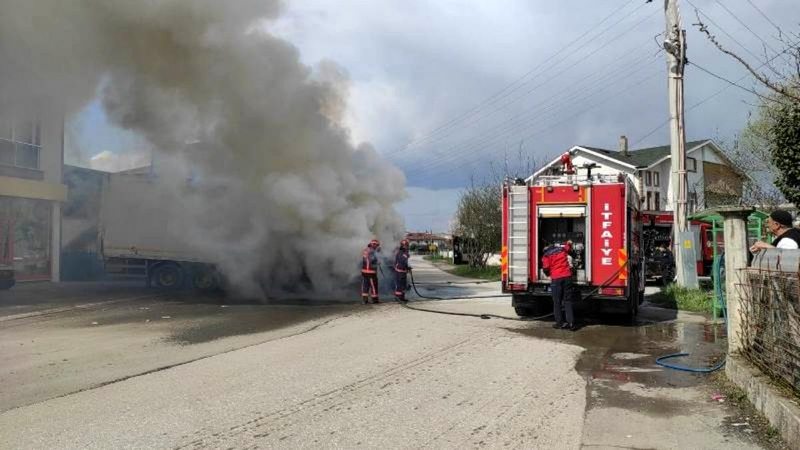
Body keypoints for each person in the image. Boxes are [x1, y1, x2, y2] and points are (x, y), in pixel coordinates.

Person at [542, 240, 576, 331]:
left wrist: (548, 274)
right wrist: (569, 242)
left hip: (557, 279)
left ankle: (559, 323)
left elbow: (545, 269)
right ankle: (571, 323)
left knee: (557, 302)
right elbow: (568, 247)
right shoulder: (562, 249)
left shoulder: (546, 255)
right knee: (567, 301)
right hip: (567, 277)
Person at [361, 239, 381, 304]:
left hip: (364, 272)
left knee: (365, 286)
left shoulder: (365, 250)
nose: (377, 247)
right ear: (374, 245)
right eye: (377, 245)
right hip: (371, 272)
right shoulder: (373, 252)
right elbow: (372, 261)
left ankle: (364, 300)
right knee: (373, 286)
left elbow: (365, 260)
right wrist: (377, 262)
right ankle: (375, 300)